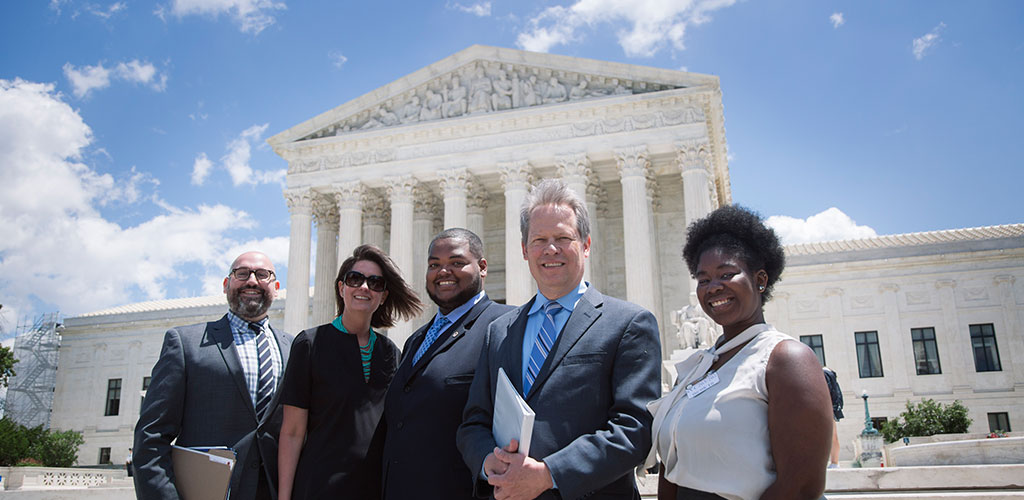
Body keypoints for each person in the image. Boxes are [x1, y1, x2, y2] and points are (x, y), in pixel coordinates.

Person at [457, 179, 662, 500]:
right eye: (539, 239)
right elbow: (474, 422)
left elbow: (635, 429)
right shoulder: (500, 331)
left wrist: (549, 475)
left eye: (563, 238)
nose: (550, 249)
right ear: (524, 250)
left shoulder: (628, 323)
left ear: (586, 244)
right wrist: (487, 461)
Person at [649, 205, 833, 500]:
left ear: (760, 280)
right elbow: (674, 466)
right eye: (703, 279)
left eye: (727, 274)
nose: (713, 288)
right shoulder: (701, 366)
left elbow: (801, 487)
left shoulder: (785, 359)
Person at [134, 251, 293, 500]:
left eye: (262, 275)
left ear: (276, 287)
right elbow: (152, 437)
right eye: (242, 273)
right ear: (226, 284)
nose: (252, 280)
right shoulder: (187, 344)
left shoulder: (296, 348)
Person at [277, 245, 422, 500]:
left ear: (384, 296)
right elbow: (292, 431)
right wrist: (284, 496)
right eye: (355, 279)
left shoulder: (391, 352)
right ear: (341, 288)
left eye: (375, 283)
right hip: (319, 486)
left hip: (375, 488)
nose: (364, 287)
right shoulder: (309, 344)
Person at [381, 228, 515, 500]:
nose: (443, 272)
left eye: (456, 263)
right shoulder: (417, 339)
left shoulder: (507, 325)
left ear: (482, 267)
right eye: (434, 265)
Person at [823, 366, 844, 468]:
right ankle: (835, 462)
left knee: (831, 436)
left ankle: (834, 462)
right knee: (833, 436)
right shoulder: (831, 376)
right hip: (831, 407)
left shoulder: (823, 374)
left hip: (824, 407)